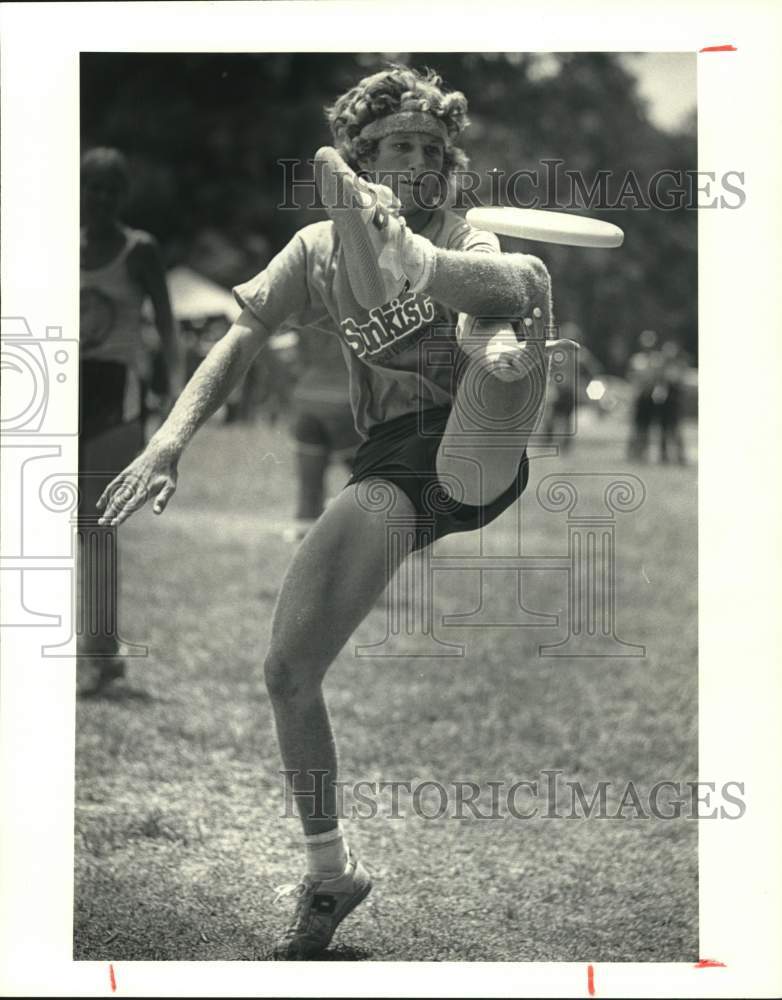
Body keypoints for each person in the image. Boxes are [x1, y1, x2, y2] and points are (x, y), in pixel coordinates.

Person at [96, 66, 556, 957]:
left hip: (458, 434)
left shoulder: (471, 229)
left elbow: (491, 294)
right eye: (397, 149)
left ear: (447, 163)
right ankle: (330, 875)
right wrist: (167, 441)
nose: (420, 160)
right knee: (286, 671)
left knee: (510, 290)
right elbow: (237, 341)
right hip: (394, 464)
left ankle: (503, 386)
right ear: (360, 160)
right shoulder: (315, 252)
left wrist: (489, 338)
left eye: (432, 148)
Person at [79, 147, 180, 694]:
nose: (100, 198)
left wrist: (175, 404)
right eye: (91, 186)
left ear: (124, 196)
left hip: (114, 400)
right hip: (59, 391)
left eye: (111, 188)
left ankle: (99, 654)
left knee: (96, 531)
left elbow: (167, 331)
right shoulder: (57, 246)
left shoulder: (140, 250)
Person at [287, 325, 361, 540]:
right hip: (345, 399)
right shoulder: (358, 306)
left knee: (310, 477)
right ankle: (410, 536)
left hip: (306, 398)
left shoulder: (307, 313)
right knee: (371, 475)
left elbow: (287, 355)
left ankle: (305, 531)